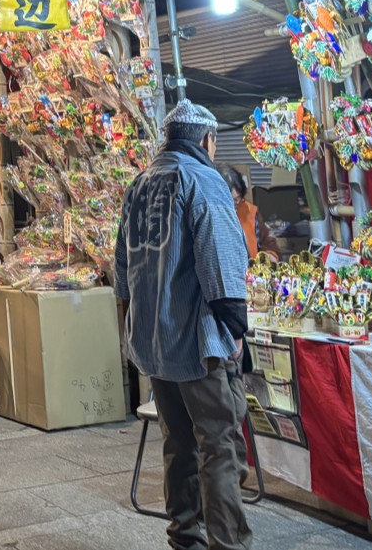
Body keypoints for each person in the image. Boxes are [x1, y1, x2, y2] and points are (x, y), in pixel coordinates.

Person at [114, 99, 252, 550]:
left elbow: (121, 272)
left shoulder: (138, 185)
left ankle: (184, 538)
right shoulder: (203, 179)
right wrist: (234, 326)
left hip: (154, 343)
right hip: (199, 342)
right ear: (207, 141)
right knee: (219, 445)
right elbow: (221, 262)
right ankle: (227, 543)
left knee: (177, 443)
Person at [220, 166, 279, 260]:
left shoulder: (250, 212)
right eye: (229, 200)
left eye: (237, 199)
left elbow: (268, 243)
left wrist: (271, 255)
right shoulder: (210, 216)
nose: (235, 204)